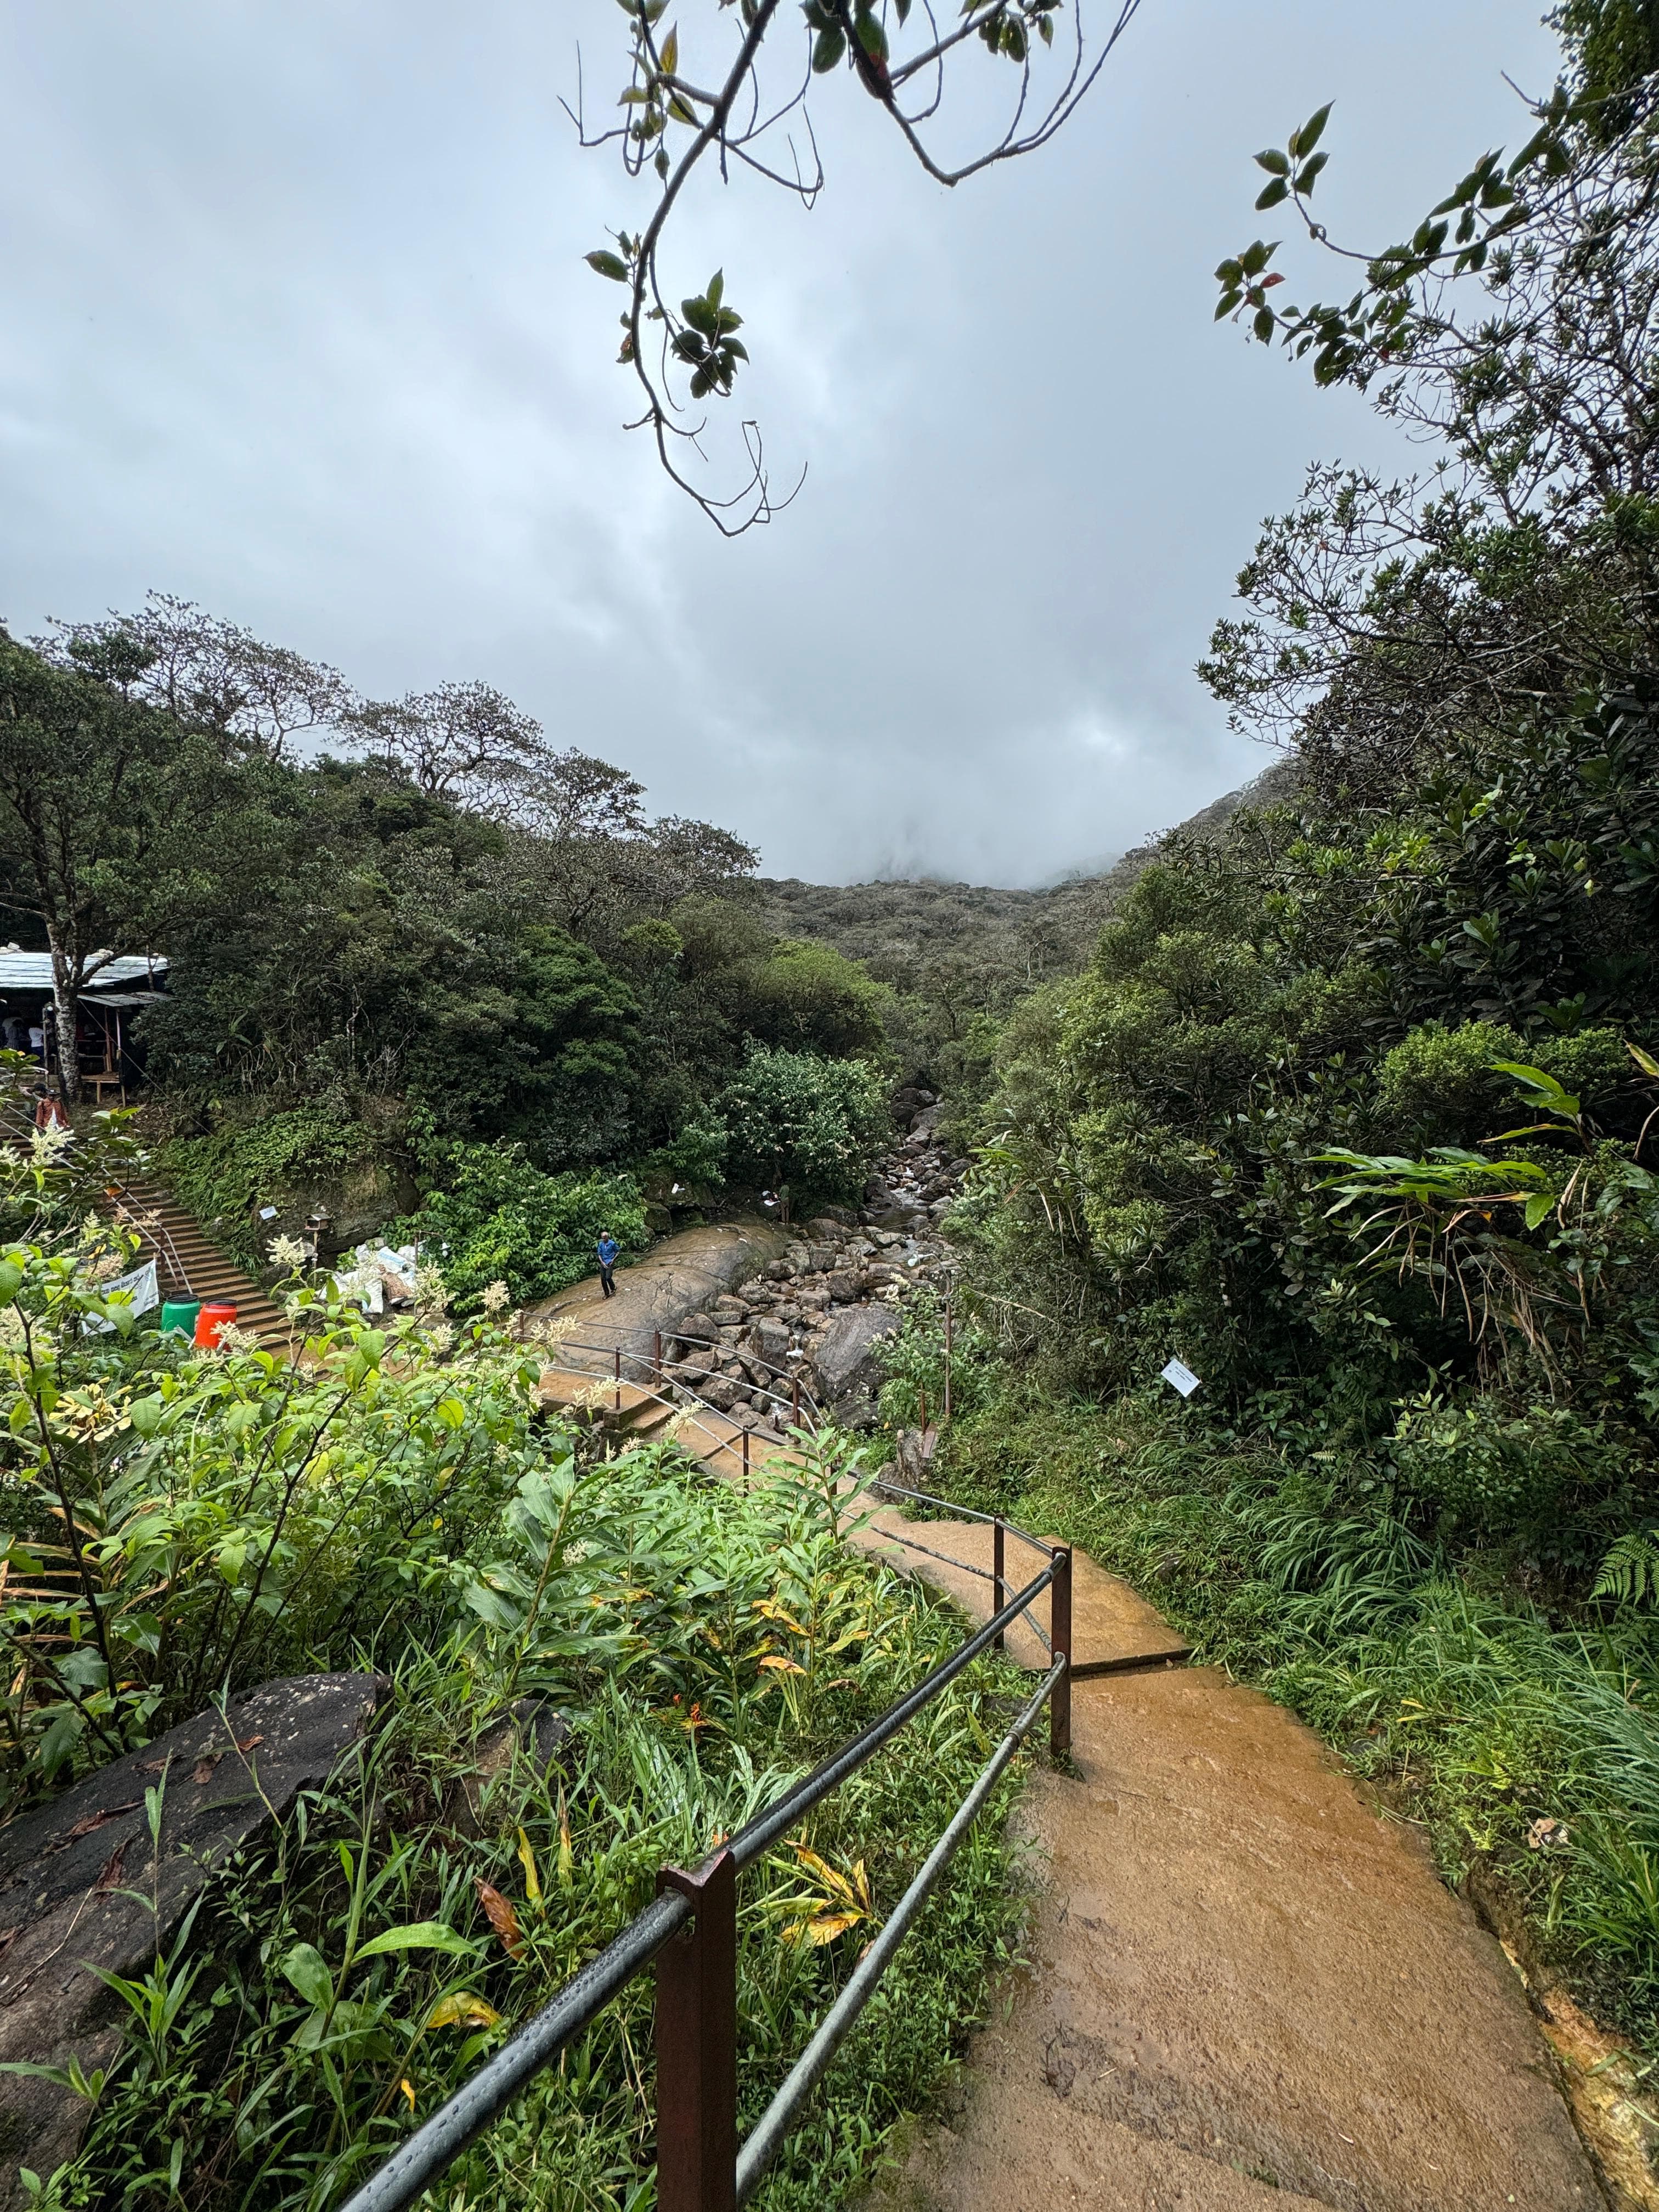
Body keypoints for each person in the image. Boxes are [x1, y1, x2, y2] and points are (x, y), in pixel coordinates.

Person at [596, 1229, 620, 1298]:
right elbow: (599, 1254)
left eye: (605, 1238)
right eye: (602, 1238)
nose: (603, 1239)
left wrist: (613, 1259)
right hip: (603, 1262)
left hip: (610, 1262)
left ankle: (613, 1288)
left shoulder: (612, 1243)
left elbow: (618, 1251)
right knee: (603, 1279)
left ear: (607, 1237)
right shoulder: (601, 1244)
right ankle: (606, 1294)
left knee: (608, 1277)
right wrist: (602, 1263)